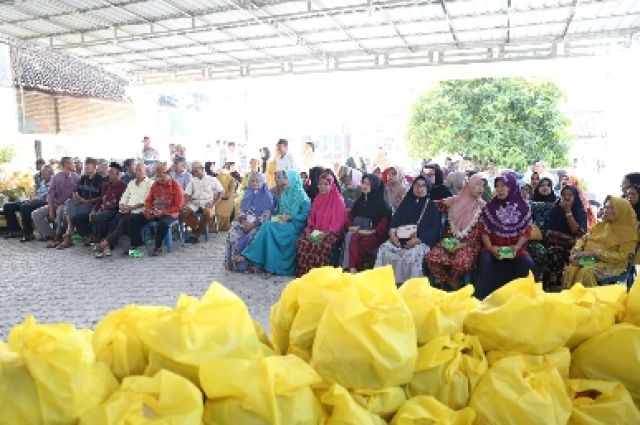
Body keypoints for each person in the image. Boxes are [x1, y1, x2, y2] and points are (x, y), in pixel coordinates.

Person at [475, 172, 534, 299]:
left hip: (515, 248)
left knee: (527, 263)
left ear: (512, 186)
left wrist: (517, 247)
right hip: (493, 247)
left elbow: (526, 231)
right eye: (497, 186)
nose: (499, 189)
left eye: (503, 185)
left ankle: (521, 299)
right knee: (485, 260)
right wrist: (491, 248)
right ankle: (485, 299)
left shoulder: (524, 207)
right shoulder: (490, 207)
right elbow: (483, 230)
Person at [242, 170, 310, 277]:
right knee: (267, 225)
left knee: (270, 228)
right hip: (283, 222)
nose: (284, 181)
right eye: (284, 178)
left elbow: (305, 216)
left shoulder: (303, 197)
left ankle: (255, 259)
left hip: (295, 225)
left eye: (286, 178)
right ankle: (262, 263)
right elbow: (280, 211)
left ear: (293, 180)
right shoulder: (285, 193)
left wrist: (291, 217)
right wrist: (278, 217)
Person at [375, 176, 442, 284]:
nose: (419, 189)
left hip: (421, 241)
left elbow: (434, 229)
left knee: (411, 254)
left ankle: (410, 285)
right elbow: (395, 222)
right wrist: (393, 236)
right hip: (399, 240)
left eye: (423, 186)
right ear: (413, 186)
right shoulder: (406, 202)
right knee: (384, 248)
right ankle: (386, 281)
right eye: (417, 185)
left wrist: (418, 240)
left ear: (427, 188)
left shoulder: (431, 206)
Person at [426, 174, 486, 290]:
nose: (481, 188)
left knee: (461, 262)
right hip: (448, 242)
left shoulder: (482, 208)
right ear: (469, 185)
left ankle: (453, 280)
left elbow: (479, 233)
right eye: (478, 184)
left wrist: (460, 245)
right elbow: (431, 205)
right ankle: (451, 281)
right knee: (432, 257)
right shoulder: (453, 202)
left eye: (483, 186)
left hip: (468, 245)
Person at [564, 196, 638, 288]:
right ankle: (572, 295)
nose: (605, 210)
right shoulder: (600, 225)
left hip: (612, 264)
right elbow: (584, 239)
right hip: (592, 259)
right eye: (605, 207)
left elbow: (622, 257)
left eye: (611, 208)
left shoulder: (629, 233)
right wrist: (577, 249)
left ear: (621, 211)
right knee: (573, 267)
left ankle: (589, 297)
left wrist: (594, 253)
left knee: (586, 272)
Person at [94, 163, 153, 258]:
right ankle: (108, 245)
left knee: (124, 221)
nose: (137, 172)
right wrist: (122, 205)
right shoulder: (131, 183)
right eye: (136, 170)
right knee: (115, 221)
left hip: (140, 211)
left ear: (145, 172)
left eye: (140, 170)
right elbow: (124, 197)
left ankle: (106, 243)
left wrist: (131, 208)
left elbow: (146, 201)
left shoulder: (150, 183)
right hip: (127, 210)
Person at [295, 172, 347, 276]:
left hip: (333, 233)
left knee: (323, 246)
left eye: (326, 184)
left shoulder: (338, 200)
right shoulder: (318, 198)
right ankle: (305, 274)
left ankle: (320, 276)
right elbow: (311, 218)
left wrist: (326, 234)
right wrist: (309, 230)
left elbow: (339, 222)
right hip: (316, 231)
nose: (322, 186)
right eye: (320, 184)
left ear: (331, 185)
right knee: (302, 242)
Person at [127, 162, 184, 256]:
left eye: (161, 176)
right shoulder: (155, 185)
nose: (158, 179)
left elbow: (178, 207)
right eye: (157, 176)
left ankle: (158, 246)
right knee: (132, 219)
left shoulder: (176, 187)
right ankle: (138, 247)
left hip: (170, 213)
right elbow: (148, 201)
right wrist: (149, 210)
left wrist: (162, 212)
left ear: (168, 174)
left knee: (163, 223)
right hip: (155, 212)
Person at [539, 185, 588, 291]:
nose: (566, 197)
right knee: (553, 252)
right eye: (564, 195)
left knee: (582, 259)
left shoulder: (580, 211)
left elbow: (578, 232)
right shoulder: (555, 209)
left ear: (575, 197)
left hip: (576, 247)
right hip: (555, 244)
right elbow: (547, 230)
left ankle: (570, 288)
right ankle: (551, 287)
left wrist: (568, 212)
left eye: (570, 195)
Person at [225, 172, 275, 272]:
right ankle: (232, 263)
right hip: (244, 223)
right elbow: (242, 210)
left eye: (257, 181)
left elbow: (267, 215)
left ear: (262, 181)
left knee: (252, 236)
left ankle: (247, 265)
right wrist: (243, 221)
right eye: (252, 181)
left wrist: (253, 224)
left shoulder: (268, 196)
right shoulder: (247, 194)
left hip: (258, 224)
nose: (255, 183)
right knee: (233, 232)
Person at [342, 174, 391, 272]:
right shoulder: (359, 202)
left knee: (357, 241)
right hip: (359, 231)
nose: (365, 186)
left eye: (368, 184)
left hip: (375, 235)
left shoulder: (383, 205)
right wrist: (350, 226)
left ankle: (352, 268)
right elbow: (350, 217)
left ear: (375, 186)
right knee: (352, 236)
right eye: (363, 183)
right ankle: (353, 269)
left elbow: (383, 227)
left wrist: (370, 232)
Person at [55, 158, 104, 249]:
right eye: (86, 165)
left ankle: (68, 237)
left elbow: (101, 197)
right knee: (69, 202)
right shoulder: (83, 178)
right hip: (80, 202)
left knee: (67, 212)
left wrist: (87, 201)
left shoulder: (100, 179)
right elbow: (78, 192)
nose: (86, 167)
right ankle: (69, 229)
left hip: (92, 204)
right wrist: (77, 196)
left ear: (94, 167)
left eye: (88, 165)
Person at [32, 157, 79, 242]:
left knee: (60, 211)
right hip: (55, 204)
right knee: (35, 214)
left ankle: (60, 235)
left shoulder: (76, 177)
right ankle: (51, 234)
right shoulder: (56, 178)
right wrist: (50, 210)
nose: (74, 165)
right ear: (66, 164)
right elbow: (50, 196)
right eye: (72, 163)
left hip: (68, 205)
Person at [77, 162, 127, 242]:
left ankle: (100, 237)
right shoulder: (106, 185)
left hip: (113, 209)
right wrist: (94, 210)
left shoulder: (123, 186)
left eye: (111, 173)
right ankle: (89, 235)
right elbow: (100, 199)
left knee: (100, 217)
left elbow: (121, 202)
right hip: (102, 209)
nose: (109, 175)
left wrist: (102, 210)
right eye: (109, 173)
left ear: (117, 175)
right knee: (78, 218)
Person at [4, 165, 53, 242]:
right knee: (8, 206)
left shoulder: (54, 182)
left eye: (44, 173)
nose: (42, 175)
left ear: (51, 173)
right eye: (42, 173)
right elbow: (38, 194)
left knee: (25, 207)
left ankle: (28, 234)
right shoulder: (42, 182)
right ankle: (16, 231)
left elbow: (49, 197)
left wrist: (35, 200)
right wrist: (32, 199)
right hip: (35, 201)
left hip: (44, 203)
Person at [180, 161, 224, 243]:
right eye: (193, 171)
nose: (194, 173)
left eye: (196, 170)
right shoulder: (192, 181)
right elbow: (187, 194)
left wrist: (214, 204)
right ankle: (198, 228)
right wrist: (185, 204)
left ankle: (197, 234)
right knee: (182, 213)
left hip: (208, 203)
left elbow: (221, 192)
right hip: (195, 203)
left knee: (207, 213)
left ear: (202, 169)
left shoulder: (212, 179)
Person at [215, 163, 238, 231]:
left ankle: (218, 227)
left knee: (219, 213)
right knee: (225, 214)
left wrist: (219, 197)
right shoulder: (231, 178)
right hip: (226, 200)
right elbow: (231, 191)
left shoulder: (217, 177)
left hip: (219, 199)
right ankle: (224, 227)